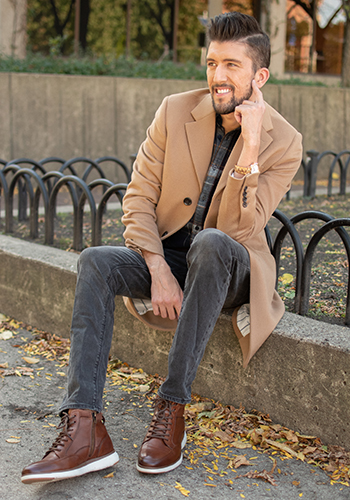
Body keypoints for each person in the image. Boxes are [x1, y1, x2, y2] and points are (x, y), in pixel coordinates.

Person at [21, 11, 302, 483]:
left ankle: (172, 408)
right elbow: (138, 197)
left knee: (212, 243)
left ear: (260, 76)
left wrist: (250, 148)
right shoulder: (175, 110)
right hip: (172, 255)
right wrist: (157, 267)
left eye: (232, 65)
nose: (218, 76)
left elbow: (239, 229)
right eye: (212, 63)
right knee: (95, 261)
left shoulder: (285, 141)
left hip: (229, 266)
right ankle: (84, 426)